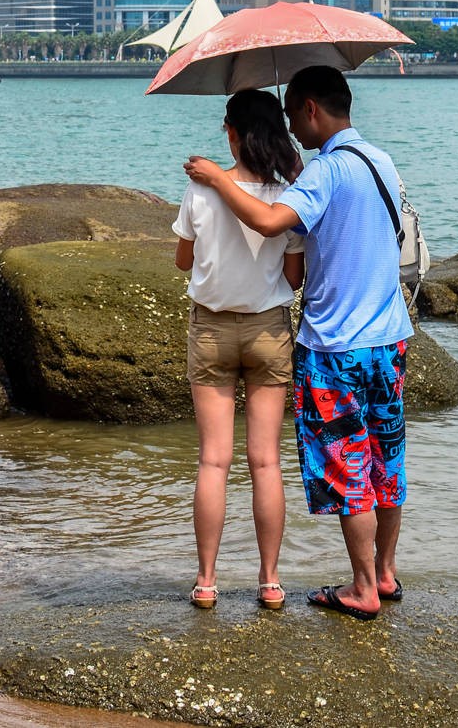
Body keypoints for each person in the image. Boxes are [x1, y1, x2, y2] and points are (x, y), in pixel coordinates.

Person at [184, 65, 413, 622]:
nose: (290, 127)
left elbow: (267, 222)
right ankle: (383, 572)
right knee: (386, 460)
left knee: (347, 465)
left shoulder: (326, 172)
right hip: (390, 338)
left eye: (293, 114)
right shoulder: (380, 160)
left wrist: (217, 179)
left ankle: (360, 589)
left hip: (336, 344)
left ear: (311, 108)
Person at [173, 87, 305, 610]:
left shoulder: (202, 190)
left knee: (213, 461)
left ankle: (206, 581)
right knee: (266, 463)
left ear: (230, 131)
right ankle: (270, 581)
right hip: (269, 330)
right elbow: (294, 278)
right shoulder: (286, 194)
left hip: (210, 329)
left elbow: (184, 261)